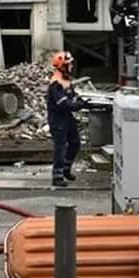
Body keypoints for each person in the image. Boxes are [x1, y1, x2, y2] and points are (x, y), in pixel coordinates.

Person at [47, 51, 85, 188]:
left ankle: (66, 168)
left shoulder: (66, 79)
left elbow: (72, 96)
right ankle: (57, 176)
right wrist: (76, 106)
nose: (72, 66)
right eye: (69, 64)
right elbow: (63, 103)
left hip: (66, 117)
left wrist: (80, 101)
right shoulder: (56, 83)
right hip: (58, 119)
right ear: (63, 66)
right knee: (60, 147)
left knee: (75, 142)